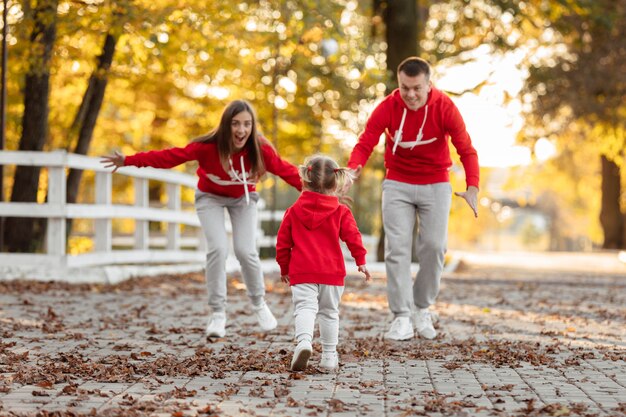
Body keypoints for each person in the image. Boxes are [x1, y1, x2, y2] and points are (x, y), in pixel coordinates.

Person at [101, 100, 303, 338]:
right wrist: (128, 160)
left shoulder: (260, 149)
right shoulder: (208, 147)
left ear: (252, 126)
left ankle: (259, 304)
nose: (241, 130)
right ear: (226, 125)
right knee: (217, 249)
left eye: (247, 124)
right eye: (235, 124)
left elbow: (288, 172)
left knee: (245, 251)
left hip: (243, 200)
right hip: (210, 198)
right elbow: (169, 157)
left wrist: (325, 195)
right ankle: (218, 313)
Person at [346, 57, 479, 341]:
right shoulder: (388, 107)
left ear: (429, 84)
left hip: (436, 183)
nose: (411, 94)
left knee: (434, 247)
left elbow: (466, 149)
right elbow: (366, 140)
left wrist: (473, 186)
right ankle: (402, 316)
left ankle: (421, 307)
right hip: (398, 183)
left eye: (417, 88)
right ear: (399, 83)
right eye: (405, 87)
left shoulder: (445, 108)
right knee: (397, 249)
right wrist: (353, 168)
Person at [276, 154, 371, 372]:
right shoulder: (340, 211)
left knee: (305, 308)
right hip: (332, 273)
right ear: (335, 182)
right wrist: (361, 260)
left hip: (302, 272)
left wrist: (284, 267)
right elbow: (353, 236)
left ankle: (304, 343)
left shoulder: (293, 211)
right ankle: (329, 356)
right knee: (329, 312)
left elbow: (282, 243)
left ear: (305, 179)